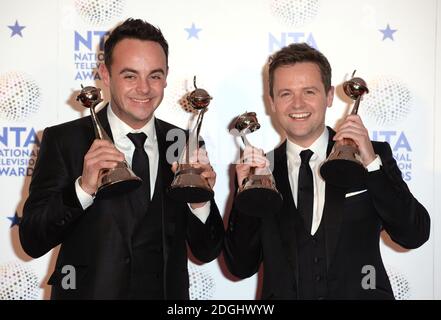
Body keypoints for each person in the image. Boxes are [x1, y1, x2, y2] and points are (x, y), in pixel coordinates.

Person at [19, 18, 224, 300]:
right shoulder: (64, 140)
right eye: (130, 76)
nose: (144, 88)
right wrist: (83, 188)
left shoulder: (183, 144)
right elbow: (32, 240)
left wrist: (200, 201)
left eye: (154, 75)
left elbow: (207, 250)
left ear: (166, 76)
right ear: (105, 74)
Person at [223, 43, 430, 299]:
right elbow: (240, 266)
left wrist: (371, 163)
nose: (297, 104)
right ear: (272, 102)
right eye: (286, 93)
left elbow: (414, 234)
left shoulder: (371, 155)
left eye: (309, 91)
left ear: (329, 95)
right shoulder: (259, 171)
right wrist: (247, 197)